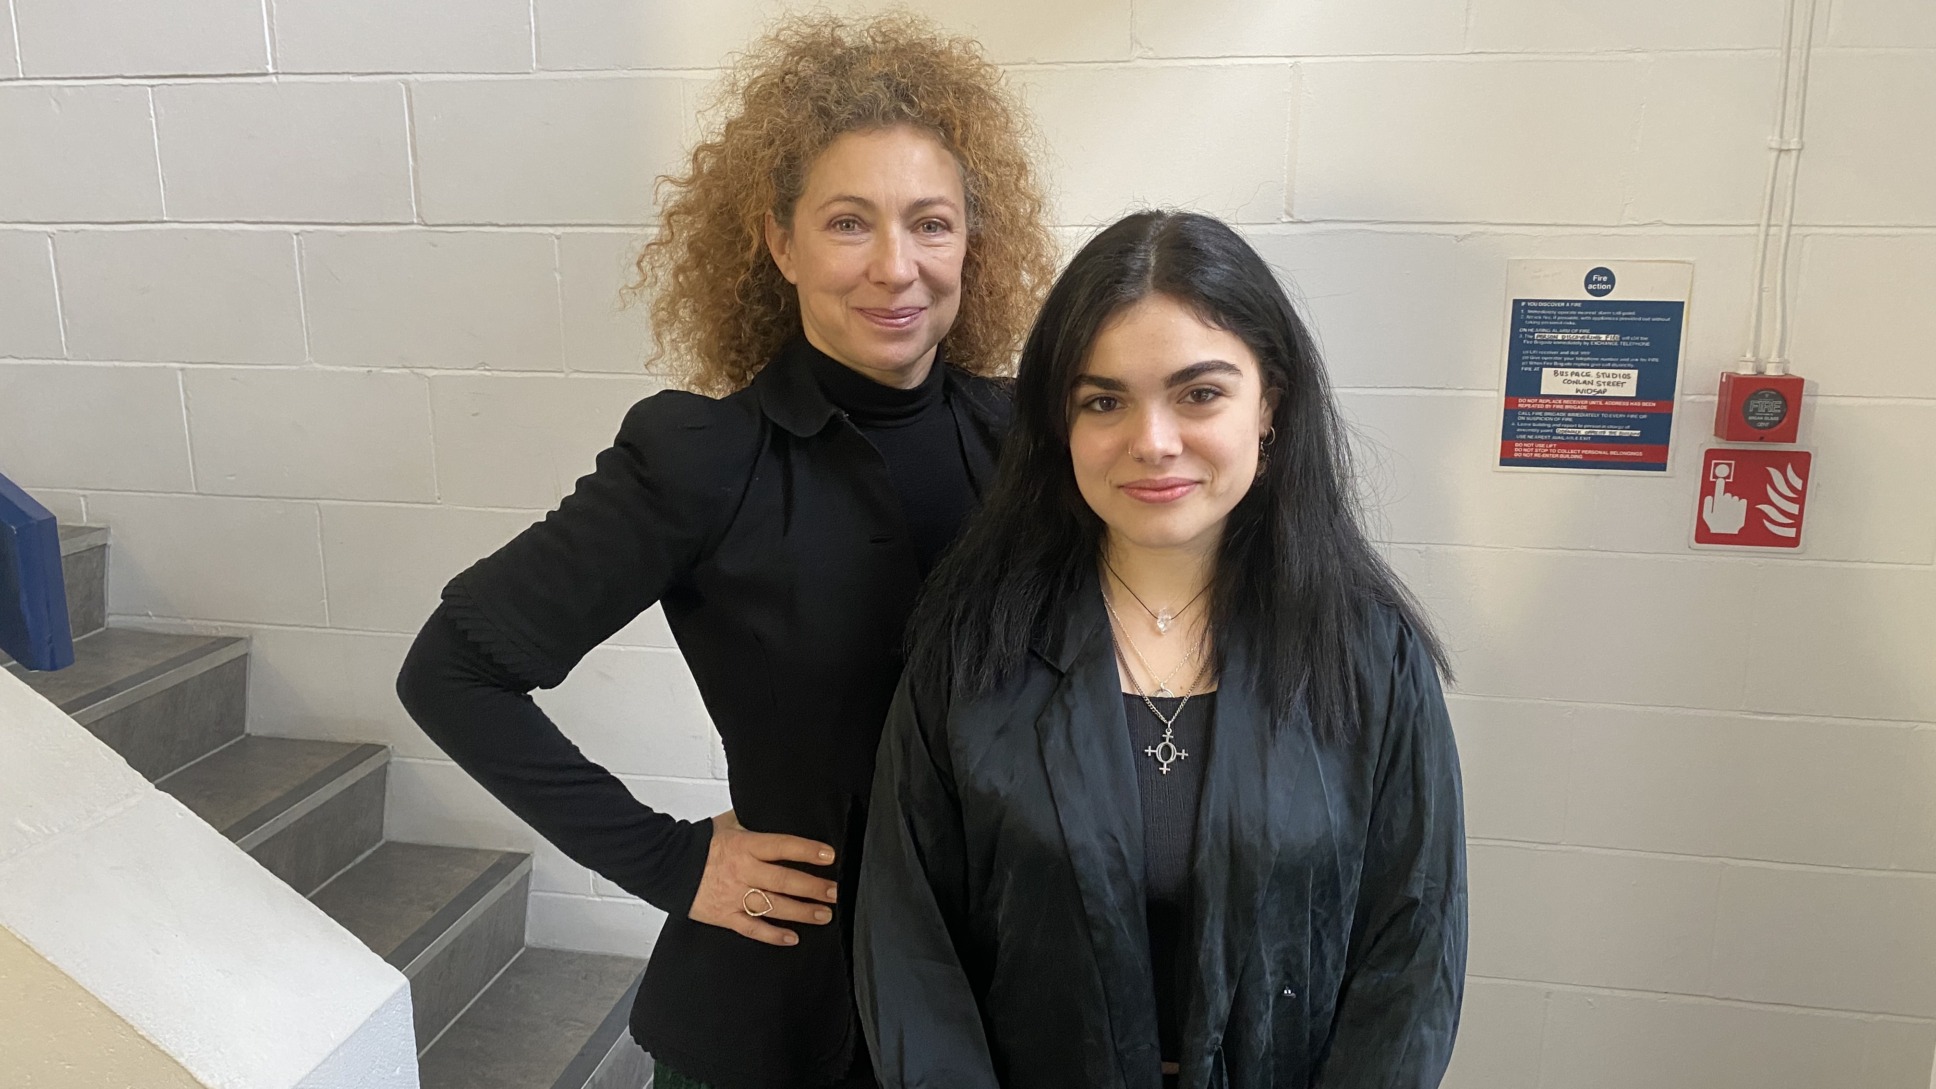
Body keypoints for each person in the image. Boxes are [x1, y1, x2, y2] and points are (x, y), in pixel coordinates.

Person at [394, 14, 1054, 1089]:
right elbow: (451, 672)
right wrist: (670, 860)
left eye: (931, 224)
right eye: (849, 223)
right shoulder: (700, 459)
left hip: (1002, 1001)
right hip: (781, 1021)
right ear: (779, 240)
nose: (897, 266)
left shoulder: (1034, 441)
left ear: (971, 243)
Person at [856, 211, 1466, 1089]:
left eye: (1199, 393)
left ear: (1271, 404)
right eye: (1103, 400)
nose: (1152, 440)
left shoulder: (1369, 656)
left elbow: (1412, 954)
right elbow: (909, 944)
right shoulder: (972, 649)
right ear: (1058, 425)